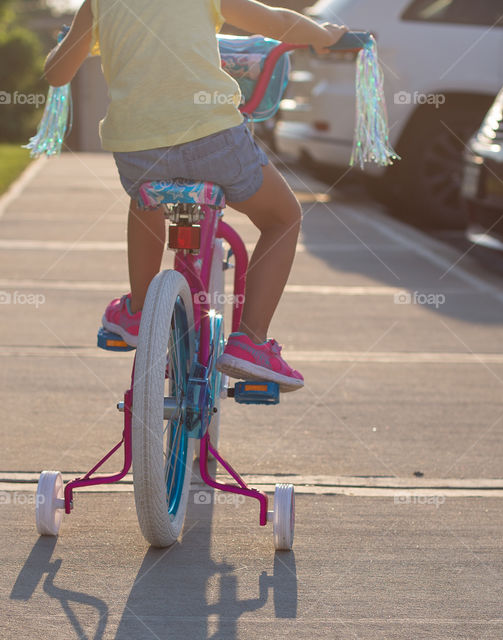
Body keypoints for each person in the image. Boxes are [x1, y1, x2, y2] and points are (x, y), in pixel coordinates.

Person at [44, 0, 347, 392]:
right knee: (282, 218)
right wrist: (325, 36)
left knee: (147, 200)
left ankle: (137, 311)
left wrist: (66, 40)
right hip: (213, 138)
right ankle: (252, 343)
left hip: (137, 150)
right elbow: (278, 22)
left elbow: (56, 74)